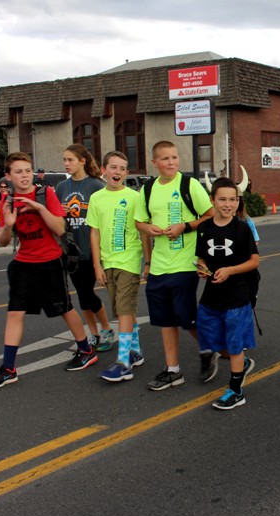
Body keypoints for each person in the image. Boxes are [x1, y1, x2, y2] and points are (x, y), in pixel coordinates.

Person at [0, 152, 95, 388]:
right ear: (8, 176)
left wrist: (38, 207)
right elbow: (3, 241)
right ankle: (8, 368)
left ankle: (86, 350)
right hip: (23, 263)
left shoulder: (46, 194)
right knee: (15, 312)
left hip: (50, 261)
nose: (24, 176)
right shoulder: (8, 201)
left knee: (64, 309)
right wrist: (9, 225)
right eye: (18, 171)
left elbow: (59, 227)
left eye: (27, 170)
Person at [134, 140, 214, 391]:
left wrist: (185, 226)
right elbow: (140, 224)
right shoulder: (147, 190)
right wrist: (147, 232)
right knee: (166, 320)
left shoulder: (189, 185)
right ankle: (173, 370)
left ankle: (211, 348)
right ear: (154, 162)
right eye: (165, 158)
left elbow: (211, 217)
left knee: (186, 318)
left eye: (174, 158)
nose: (171, 163)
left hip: (186, 263)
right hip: (158, 266)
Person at [86, 151, 151, 382]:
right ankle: (136, 351)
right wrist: (97, 265)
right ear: (103, 170)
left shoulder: (134, 197)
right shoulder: (96, 198)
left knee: (123, 308)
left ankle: (124, 362)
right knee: (123, 308)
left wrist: (147, 260)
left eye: (123, 168)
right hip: (108, 261)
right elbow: (94, 232)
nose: (118, 172)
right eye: (113, 167)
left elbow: (143, 231)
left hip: (129, 261)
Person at [196, 178, 259, 410]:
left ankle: (235, 390)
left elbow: (254, 261)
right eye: (222, 199)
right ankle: (240, 363)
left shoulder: (243, 228)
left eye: (233, 199)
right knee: (206, 334)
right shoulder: (204, 228)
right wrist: (201, 268)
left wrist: (230, 270)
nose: (228, 204)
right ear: (212, 200)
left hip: (237, 297)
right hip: (211, 295)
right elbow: (201, 256)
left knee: (234, 344)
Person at [55, 144, 115, 354]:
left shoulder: (96, 186)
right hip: (71, 250)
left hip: (92, 249)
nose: (66, 164)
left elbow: (106, 217)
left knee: (88, 294)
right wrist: (59, 213)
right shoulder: (62, 187)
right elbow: (56, 220)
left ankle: (106, 329)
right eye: (64, 160)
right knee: (81, 295)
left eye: (70, 160)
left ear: (82, 161)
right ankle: (94, 333)